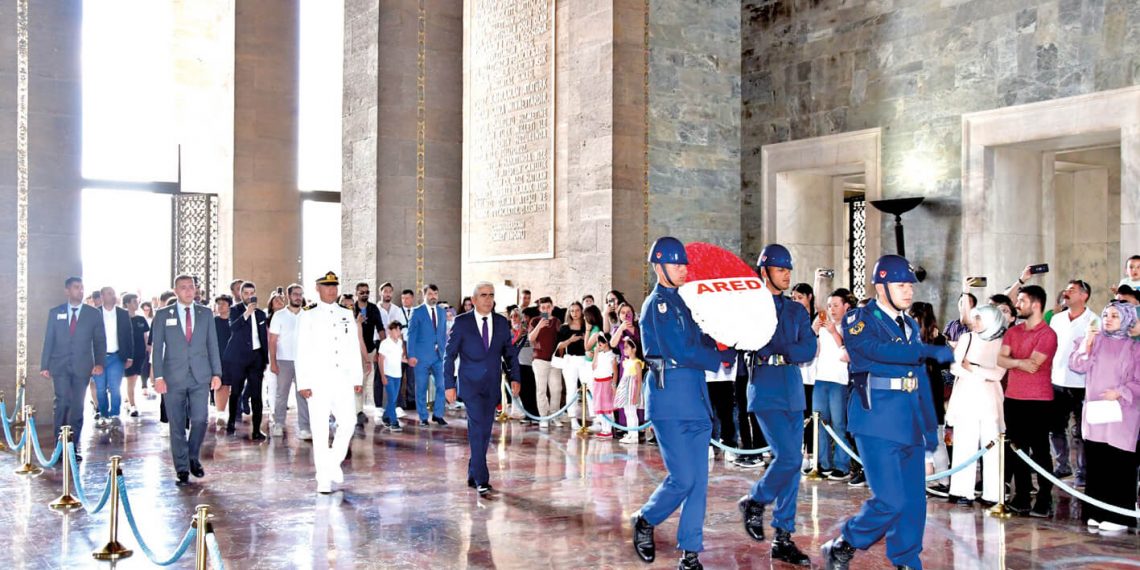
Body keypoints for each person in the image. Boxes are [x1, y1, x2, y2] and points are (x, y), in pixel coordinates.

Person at [821, 254, 953, 570]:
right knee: (890, 500)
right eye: (901, 285)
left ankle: (906, 560)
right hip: (876, 419)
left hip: (909, 419)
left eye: (910, 285)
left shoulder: (909, 324)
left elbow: (917, 376)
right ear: (881, 287)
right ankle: (845, 542)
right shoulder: (859, 319)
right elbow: (875, 350)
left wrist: (928, 422)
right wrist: (925, 350)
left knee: (914, 501)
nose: (909, 291)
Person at [630, 237, 735, 570]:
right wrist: (717, 358)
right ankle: (646, 519)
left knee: (699, 483)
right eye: (676, 264)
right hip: (671, 399)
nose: (683, 269)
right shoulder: (657, 305)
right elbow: (680, 349)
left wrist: (726, 345)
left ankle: (691, 554)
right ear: (659, 267)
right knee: (683, 478)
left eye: (683, 264)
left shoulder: (684, 302)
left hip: (696, 399)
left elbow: (700, 338)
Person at [738, 244, 815, 566]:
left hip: (792, 390)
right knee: (788, 457)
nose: (787, 275)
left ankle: (783, 537)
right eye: (781, 269)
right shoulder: (751, 307)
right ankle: (755, 500)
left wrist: (781, 350)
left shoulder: (796, 310)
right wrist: (783, 348)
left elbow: (808, 349)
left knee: (793, 465)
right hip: (766, 388)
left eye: (788, 270)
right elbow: (753, 343)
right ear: (765, 272)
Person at [1067, 301, 1140, 532]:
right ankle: (1096, 512)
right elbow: (1077, 365)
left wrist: (1119, 392)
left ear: (1127, 319)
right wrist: (1087, 342)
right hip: (1096, 412)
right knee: (1097, 462)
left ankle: (1119, 517)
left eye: (1115, 316)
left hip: (1122, 414)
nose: (1108, 319)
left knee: (1118, 463)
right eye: (1106, 314)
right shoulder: (1095, 342)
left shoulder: (1134, 348)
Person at [443, 281, 521, 496]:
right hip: (470, 385)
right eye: (484, 295)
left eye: (491, 295)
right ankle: (481, 479)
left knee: (485, 430)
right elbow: (449, 355)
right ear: (474, 300)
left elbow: (510, 353)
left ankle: (473, 471)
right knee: (477, 429)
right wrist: (449, 385)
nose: (488, 299)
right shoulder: (462, 322)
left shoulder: (501, 322)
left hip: (492, 385)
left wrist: (515, 377)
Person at [295, 272, 367, 494]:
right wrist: (303, 382)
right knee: (319, 430)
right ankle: (323, 479)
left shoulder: (345, 312)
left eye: (335, 286)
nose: (332, 290)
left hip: (342, 379)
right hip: (318, 380)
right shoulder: (308, 314)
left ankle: (333, 462)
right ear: (317, 288)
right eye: (327, 286)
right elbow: (301, 349)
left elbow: (353, 347)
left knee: (349, 422)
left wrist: (357, 377)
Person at [150, 274, 224, 485]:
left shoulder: (205, 313)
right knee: (177, 423)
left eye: (191, 286)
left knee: (200, 419)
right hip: (173, 377)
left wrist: (217, 373)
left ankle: (192, 456)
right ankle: (181, 468)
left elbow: (212, 344)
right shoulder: (163, 314)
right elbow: (157, 348)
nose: (189, 290)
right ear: (176, 291)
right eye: (183, 287)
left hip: (200, 375)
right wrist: (158, 377)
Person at [997, 285, 1058, 517]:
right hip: (1013, 397)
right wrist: (1019, 362)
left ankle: (1044, 498)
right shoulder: (1013, 332)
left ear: (1036, 304)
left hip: (1038, 400)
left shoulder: (1047, 334)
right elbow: (1000, 359)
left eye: (1021, 301)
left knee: (1040, 450)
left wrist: (1014, 361)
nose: (1017, 305)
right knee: (1016, 449)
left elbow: (1034, 364)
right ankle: (1021, 495)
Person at [945, 305, 1007, 507]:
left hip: (990, 400)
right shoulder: (968, 338)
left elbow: (998, 373)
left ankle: (993, 494)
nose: (975, 322)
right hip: (967, 397)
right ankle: (961, 491)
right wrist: (980, 375)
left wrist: (973, 367)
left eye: (979, 318)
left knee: (992, 446)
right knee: (964, 444)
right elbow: (955, 367)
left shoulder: (1002, 342)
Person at [40, 277, 106, 461]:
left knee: (77, 407)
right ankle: (58, 447)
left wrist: (99, 363)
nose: (80, 290)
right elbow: (49, 339)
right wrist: (45, 365)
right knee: (62, 403)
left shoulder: (93, 314)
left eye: (82, 287)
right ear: (67, 291)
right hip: (59, 365)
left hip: (82, 366)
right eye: (76, 287)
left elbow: (100, 340)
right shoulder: (56, 312)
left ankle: (72, 447)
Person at [1048, 279, 1098, 484]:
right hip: (1057, 380)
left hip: (1082, 383)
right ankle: (1062, 466)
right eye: (1066, 289)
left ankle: (1082, 472)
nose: (1066, 293)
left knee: (1081, 431)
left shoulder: (1094, 320)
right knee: (1055, 427)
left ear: (1084, 296)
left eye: (1072, 290)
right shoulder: (1057, 319)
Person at [812, 289, 853, 481]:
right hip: (821, 378)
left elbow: (848, 353)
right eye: (829, 306)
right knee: (820, 422)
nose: (832, 309)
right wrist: (814, 331)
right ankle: (823, 463)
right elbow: (815, 351)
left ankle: (842, 465)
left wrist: (834, 332)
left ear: (846, 306)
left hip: (839, 381)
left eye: (836, 305)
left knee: (838, 424)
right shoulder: (823, 327)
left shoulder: (850, 326)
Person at [225, 281, 269, 440]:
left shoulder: (261, 314)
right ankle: (231, 422)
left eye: (252, 293)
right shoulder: (234, 310)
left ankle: (256, 429)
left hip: (256, 358)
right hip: (239, 358)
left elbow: (263, 337)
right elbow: (233, 328)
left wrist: (265, 359)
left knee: (257, 395)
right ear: (241, 294)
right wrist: (247, 313)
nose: (249, 296)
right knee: (236, 392)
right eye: (246, 293)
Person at [269, 284, 310, 440]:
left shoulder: (307, 315)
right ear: (288, 296)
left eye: (300, 294)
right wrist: (273, 362)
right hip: (284, 360)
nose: (298, 297)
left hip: (303, 361)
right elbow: (272, 341)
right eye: (295, 294)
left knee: (303, 394)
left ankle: (304, 427)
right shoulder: (279, 315)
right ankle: (278, 424)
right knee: (281, 394)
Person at [407, 284, 449, 426]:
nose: (433, 297)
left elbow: (443, 334)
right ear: (424, 295)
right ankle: (423, 417)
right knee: (421, 388)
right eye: (430, 294)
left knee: (442, 385)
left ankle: (438, 414)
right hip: (421, 357)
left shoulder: (442, 312)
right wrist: (411, 355)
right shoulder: (417, 312)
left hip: (439, 356)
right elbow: (411, 335)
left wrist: (445, 351)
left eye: (435, 294)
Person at [93, 287, 134, 427]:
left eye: (113, 293)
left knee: (115, 387)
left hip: (116, 356)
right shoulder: (95, 313)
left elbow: (128, 335)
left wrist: (130, 356)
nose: (113, 296)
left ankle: (115, 414)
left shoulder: (122, 313)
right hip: (98, 358)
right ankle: (104, 415)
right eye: (109, 293)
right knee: (100, 388)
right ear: (102, 296)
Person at [528, 297, 564, 429]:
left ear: (552, 307)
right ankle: (543, 416)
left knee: (556, 389)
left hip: (554, 360)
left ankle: (554, 415)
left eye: (548, 307)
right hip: (539, 359)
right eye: (543, 308)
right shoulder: (535, 320)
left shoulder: (557, 321)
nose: (546, 310)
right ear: (539, 309)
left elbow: (561, 338)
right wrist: (539, 325)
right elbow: (531, 338)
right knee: (541, 389)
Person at [353, 282, 383, 429]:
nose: (365, 294)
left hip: (370, 348)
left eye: (367, 292)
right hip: (355, 350)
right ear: (356, 293)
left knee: (366, 381)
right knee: (358, 381)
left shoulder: (373, 308)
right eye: (361, 292)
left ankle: (360, 409)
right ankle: (357, 411)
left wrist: (382, 349)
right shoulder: (351, 309)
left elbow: (380, 328)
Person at [556, 302, 591, 430]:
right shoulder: (565, 328)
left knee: (589, 387)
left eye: (577, 310)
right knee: (571, 389)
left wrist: (585, 337)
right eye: (572, 311)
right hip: (570, 360)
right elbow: (559, 346)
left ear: (581, 311)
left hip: (584, 359)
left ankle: (595, 418)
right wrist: (570, 340)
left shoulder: (586, 326)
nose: (574, 313)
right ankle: (573, 419)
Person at [122, 293, 149, 418]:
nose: (136, 304)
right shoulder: (122, 320)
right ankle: (132, 405)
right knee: (131, 378)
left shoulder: (141, 319)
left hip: (140, 354)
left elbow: (145, 336)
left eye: (137, 301)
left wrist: (148, 349)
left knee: (134, 379)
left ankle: (128, 400)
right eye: (134, 301)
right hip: (128, 354)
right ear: (127, 303)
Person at [377, 322, 406, 431]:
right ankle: (394, 422)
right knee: (392, 399)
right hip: (388, 375)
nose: (398, 332)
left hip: (398, 375)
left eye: (399, 330)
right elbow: (380, 360)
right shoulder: (384, 343)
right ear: (390, 331)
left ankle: (385, 417)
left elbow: (399, 358)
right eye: (396, 330)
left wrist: (408, 361)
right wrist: (383, 376)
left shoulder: (400, 342)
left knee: (393, 399)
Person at [615, 336, 645, 445]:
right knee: (627, 412)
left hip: (632, 391)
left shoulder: (637, 363)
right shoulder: (626, 362)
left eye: (627, 347)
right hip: (626, 390)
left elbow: (639, 380)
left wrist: (637, 395)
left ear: (634, 349)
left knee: (632, 412)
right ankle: (630, 433)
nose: (624, 349)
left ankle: (634, 435)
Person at [212, 295, 234, 425]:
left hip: (234, 357)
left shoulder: (234, 321)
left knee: (233, 385)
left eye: (223, 304)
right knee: (220, 385)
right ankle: (220, 413)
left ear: (229, 306)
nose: (220, 306)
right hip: (217, 357)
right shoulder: (213, 322)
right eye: (218, 304)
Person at [591, 333, 618, 438]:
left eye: (601, 342)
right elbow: (593, 367)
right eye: (598, 343)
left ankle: (608, 430)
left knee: (607, 407)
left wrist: (614, 385)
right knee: (600, 407)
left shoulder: (612, 356)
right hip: (597, 382)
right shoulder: (599, 354)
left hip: (607, 383)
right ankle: (604, 428)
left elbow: (615, 372)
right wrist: (596, 353)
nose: (599, 345)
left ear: (607, 343)